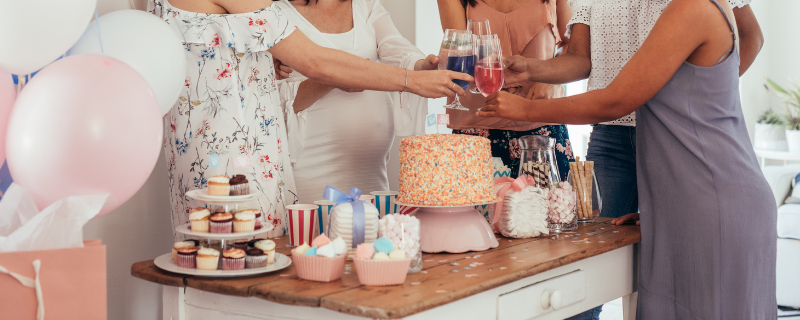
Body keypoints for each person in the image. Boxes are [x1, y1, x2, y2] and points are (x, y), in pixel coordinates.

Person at [478, 0, 777, 318]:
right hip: (694, 198)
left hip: (714, 199)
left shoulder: (692, 8)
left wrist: (524, 110)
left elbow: (617, 99)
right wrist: (667, 209)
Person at [148, 0, 472, 239]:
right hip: (234, 152)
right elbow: (314, 61)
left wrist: (260, 64)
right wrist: (410, 80)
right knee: (237, 254)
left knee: (215, 252)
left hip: (205, 144)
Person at [273, 0, 438, 204]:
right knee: (318, 233)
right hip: (310, 165)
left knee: (373, 231)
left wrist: (424, 66)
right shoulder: (276, 14)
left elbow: (399, 50)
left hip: (370, 169)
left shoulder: (366, 6)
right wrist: (335, 79)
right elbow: (271, 102)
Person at [437, 0, 573, 181]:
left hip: (541, 123)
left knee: (549, 205)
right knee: (477, 208)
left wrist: (551, 80)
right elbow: (460, 48)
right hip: (476, 128)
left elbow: (571, 45)